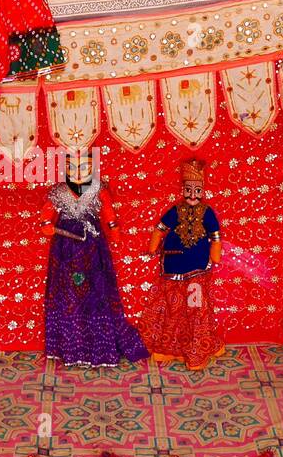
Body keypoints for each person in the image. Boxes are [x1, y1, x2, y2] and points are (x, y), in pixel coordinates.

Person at [41, 152, 148, 368]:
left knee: (95, 293)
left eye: (85, 167)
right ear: (65, 168)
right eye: (72, 167)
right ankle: (70, 346)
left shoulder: (98, 190)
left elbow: (109, 216)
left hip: (92, 246)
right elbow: (45, 218)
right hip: (65, 248)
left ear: (93, 167)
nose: (78, 172)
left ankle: (97, 345)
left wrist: (114, 231)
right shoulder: (58, 191)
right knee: (68, 293)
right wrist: (47, 226)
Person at [138, 158, 224, 370]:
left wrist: (215, 257)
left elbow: (215, 238)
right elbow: (159, 228)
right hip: (173, 268)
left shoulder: (207, 212)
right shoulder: (176, 210)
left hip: (197, 271)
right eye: (188, 189)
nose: (192, 195)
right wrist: (153, 246)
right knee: (172, 308)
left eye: (197, 190)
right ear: (182, 189)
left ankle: (194, 349)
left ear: (203, 190)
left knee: (194, 308)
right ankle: (169, 349)